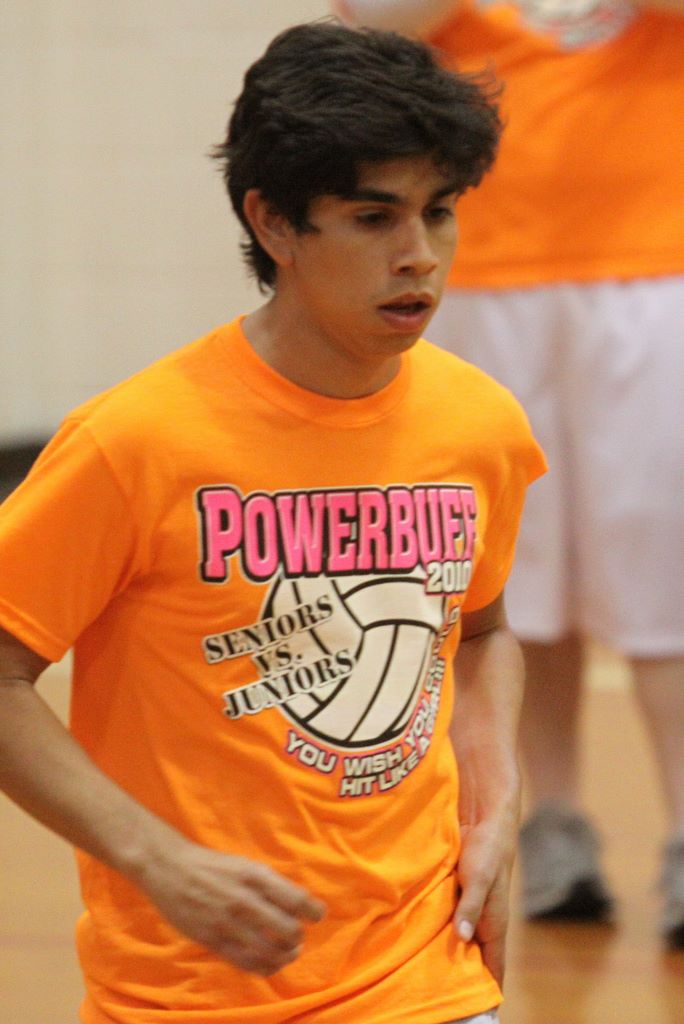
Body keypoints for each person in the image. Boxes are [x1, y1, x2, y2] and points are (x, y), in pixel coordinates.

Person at [0, 21, 546, 1024]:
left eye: (439, 211)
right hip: (187, 996)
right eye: (373, 218)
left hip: (428, 977)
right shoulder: (136, 442)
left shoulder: (480, 423)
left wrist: (496, 800)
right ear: (276, 222)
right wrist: (154, 856)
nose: (420, 256)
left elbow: (481, 631)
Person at [334, 0, 684, 948]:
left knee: (661, 563)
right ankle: (553, 823)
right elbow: (367, 27)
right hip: (492, 285)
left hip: (654, 275)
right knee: (515, 567)